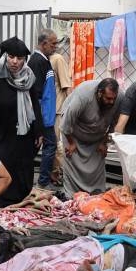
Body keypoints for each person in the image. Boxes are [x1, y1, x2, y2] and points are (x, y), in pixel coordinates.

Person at [0, 37, 43, 209]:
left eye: (19, 58)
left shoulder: (29, 78)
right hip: (0, 137)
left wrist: (39, 131)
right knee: (2, 174)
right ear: (6, 56)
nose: (14, 62)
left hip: (23, 137)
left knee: (22, 173)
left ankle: (21, 206)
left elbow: (35, 105)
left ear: (24, 60)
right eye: (11, 56)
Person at [59, 78, 122, 196]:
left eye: (114, 98)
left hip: (97, 136)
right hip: (73, 134)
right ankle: (72, 198)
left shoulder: (119, 98)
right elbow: (66, 123)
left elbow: (114, 123)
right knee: (72, 161)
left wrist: (104, 143)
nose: (111, 102)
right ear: (99, 93)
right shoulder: (83, 95)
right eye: (108, 98)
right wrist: (71, 143)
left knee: (97, 167)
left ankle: (96, 196)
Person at [28, 29, 59, 188]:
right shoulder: (37, 62)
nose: (55, 47)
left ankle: (28, 178)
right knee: (49, 145)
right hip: (42, 115)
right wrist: (39, 120)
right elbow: (36, 94)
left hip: (46, 115)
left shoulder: (43, 61)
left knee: (37, 147)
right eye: (53, 44)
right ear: (44, 43)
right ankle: (42, 182)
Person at [50, 45, 73, 183]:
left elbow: (66, 86)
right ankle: (55, 174)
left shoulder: (57, 59)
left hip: (57, 109)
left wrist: (70, 109)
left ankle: (57, 174)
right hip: (50, 109)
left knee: (57, 145)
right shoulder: (45, 59)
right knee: (54, 145)